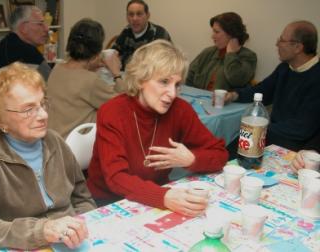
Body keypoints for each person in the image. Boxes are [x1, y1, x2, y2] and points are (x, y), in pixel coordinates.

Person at [0, 62, 96, 250]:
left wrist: (86, 223)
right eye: (28, 109)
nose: (42, 115)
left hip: (71, 240)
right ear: (1, 121)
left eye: (42, 104)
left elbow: (81, 196)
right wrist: (41, 231)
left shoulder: (54, 141)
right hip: (20, 245)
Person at [87, 40, 228, 215]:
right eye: (164, 82)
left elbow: (220, 154)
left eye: (177, 85)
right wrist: (164, 197)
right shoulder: (112, 112)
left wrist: (191, 159)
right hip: (110, 201)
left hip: (155, 198)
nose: (172, 93)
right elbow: (116, 178)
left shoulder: (179, 109)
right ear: (140, 80)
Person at [225, 20, 320, 152]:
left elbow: (302, 128)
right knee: (226, 153)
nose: (277, 44)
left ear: (298, 47)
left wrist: (260, 128)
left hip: (297, 147)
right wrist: (235, 95)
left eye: (281, 40)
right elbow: (262, 91)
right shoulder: (285, 68)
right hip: (271, 135)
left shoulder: (316, 77)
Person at [47, 18, 125, 138]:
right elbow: (124, 105)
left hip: (53, 143)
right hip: (74, 150)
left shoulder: (57, 69)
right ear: (96, 53)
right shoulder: (91, 81)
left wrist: (92, 67)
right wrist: (116, 73)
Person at [186, 12, 257, 91]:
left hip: (226, 103)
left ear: (231, 34)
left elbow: (236, 80)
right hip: (199, 100)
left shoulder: (248, 56)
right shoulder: (208, 52)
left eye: (217, 32)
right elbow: (188, 77)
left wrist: (230, 54)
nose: (212, 36)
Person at [0, 5, 51, 79]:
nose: (46, 28)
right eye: (40, 24)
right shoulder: (27, 52)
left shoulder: (6, 44)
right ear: (23, 28)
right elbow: (52, 84)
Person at [112, 0, 171, 69]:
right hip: (126, 75)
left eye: (139, 14)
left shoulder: (160, 34)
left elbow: (166, 65)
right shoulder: (126, 31)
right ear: (127, 17)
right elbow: (113, 52)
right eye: (131, 14)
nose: (134, 19)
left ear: (147, 15)